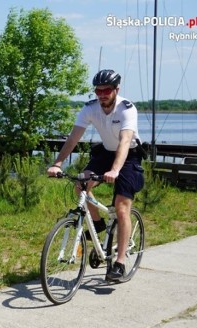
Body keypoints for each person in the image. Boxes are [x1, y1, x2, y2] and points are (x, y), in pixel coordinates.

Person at [47, 69, 144, 282]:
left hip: (128, 157)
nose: (102, 94)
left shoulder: (126, 109)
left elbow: (125, 141)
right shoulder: (90, 108)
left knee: (121, 207)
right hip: (105, 154)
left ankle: (118, 263)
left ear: (116, 90)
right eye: (98, 90)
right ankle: (98, 223)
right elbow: (73, 137)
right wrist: (57, 163)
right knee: (81, 184)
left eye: (106, 90)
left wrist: (115, 170)